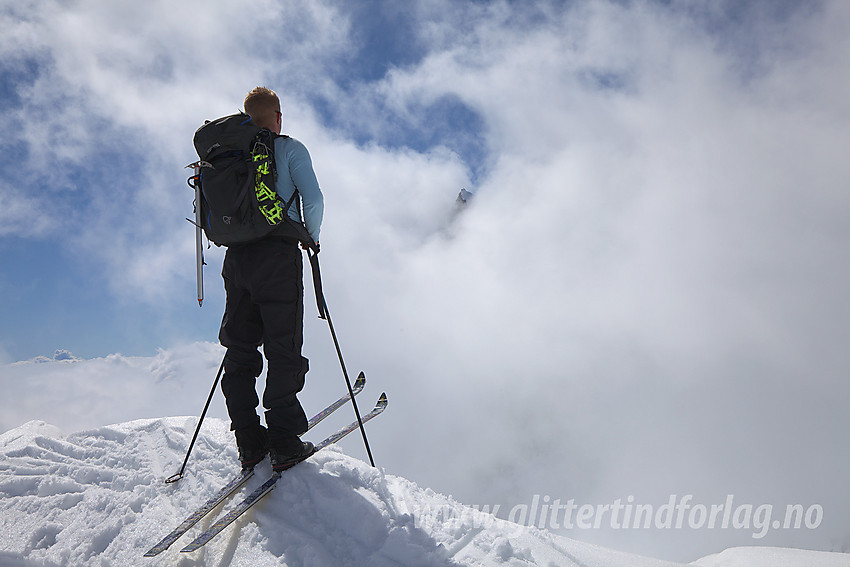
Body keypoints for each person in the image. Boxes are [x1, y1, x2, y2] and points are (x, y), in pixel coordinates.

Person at [218, 86, 324, 471]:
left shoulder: (229, 154)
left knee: (240, 347)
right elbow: (312, 199)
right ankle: (283, 440)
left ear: (246, 118)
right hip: (278, 257)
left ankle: (249, 439)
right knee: (283, 346)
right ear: (277, 116)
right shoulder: (289, 148)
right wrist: (311, 237)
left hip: (236, 259)